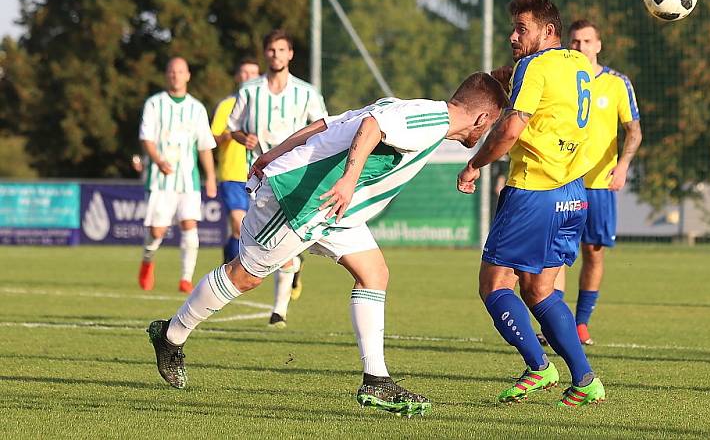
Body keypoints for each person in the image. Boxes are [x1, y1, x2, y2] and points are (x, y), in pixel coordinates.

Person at [146, 72, 508, 417]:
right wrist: (348, 179)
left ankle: (376, 380)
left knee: (374, 273)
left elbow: (327, 124)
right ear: (481, 119)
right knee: (245, 275)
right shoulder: (430, 119)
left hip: (333, 208)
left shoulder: (413, 108)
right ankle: (171, 335)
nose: (486, 132)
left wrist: (274, 152)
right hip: (302, 198)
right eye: (490, 124)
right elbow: (371, 127)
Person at [457, 0, 606, 407]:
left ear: (548, 31)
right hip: (573, 193)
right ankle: (586, 380)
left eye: (522, 29)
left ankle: (539, 367)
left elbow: (510, 130)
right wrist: (513, 75)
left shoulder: (533, 67)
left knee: (493, 284)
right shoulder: (578, 63)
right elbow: (552, 98)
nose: (512, 36)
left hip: (534, 192)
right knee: (540, 290)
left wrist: (474, 164)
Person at [227, 29, 328, 328]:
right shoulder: (249, 91)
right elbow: (233, 127)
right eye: (271, 50)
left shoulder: (306, 93)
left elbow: (324, 127)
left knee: (280, 244)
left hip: (293, 176)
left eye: (281, 50)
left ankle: (278, 312)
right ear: (265, 53)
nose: (276, 55)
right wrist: (243, 138)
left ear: (290, 54)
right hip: (258, 177)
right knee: (262, 241)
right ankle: (294, 263)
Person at [553, 19, 642, 345]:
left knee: (593, 253)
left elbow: (634, 130)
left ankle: (580, 324)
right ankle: (555, 324)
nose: (580, 47)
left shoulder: (617, 83)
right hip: (562, 180)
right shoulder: (561, 81)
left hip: (601, 184)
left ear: (598, 45)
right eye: (575, 42)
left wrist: (622, 167)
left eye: (586, 41)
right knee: (558, 254)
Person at [137, 57, 217, 293]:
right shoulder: (154, 104)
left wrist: (210, 176)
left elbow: (204, 145)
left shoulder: (197, 108)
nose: (176, 75)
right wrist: (158, 159)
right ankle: (147, 260)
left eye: (180, 71)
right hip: (160, 178)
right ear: (166, 75)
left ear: (188, 75)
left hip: (188, 180)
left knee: (189, 225)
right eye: (172, 71)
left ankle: (185, 278)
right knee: (157, 231)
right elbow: (147, 138)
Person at [210, 58, 261, 264]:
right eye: (244, 72)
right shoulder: (227, 105)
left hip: (261, 174)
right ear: (238, 76)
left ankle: (292, 269)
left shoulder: (264, 105)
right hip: (232, 174)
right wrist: (233, 134)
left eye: (253, 73)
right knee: (239, 226)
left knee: (260, 232)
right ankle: (230, 272)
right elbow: (213, 137)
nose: (248, 77)